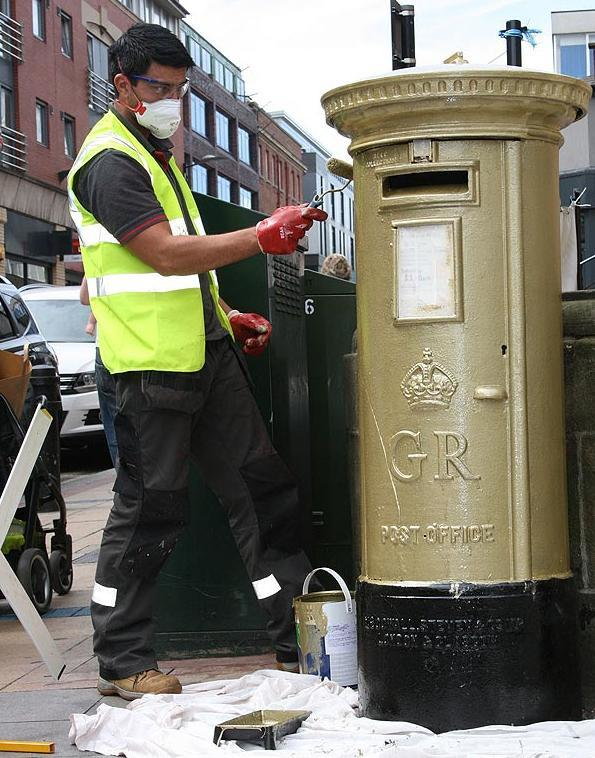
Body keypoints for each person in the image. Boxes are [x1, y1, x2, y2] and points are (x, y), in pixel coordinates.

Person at [67, 23, 327, 701]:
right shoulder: (110, 162)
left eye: (180, 89)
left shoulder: (154, 156)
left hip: (203, 353)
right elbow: (160, 254)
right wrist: (260, 237)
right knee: (149, 511)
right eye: (160, 87)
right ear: (121, 85)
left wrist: (224, 315)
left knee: (261, 493)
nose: (172, 102)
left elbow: (174, 266)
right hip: (150, 370)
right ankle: (123, 662)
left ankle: (299, 644)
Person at [80, 279, 119, 468]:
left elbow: (85, 298)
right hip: (146, 352)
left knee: (116, 428)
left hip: (107, 350)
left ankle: (126, 488)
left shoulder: (99, 252)